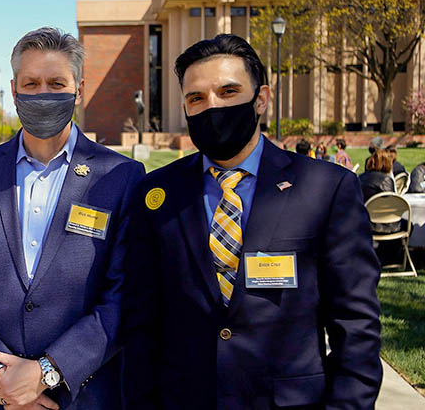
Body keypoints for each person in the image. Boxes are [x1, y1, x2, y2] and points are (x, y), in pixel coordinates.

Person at [122, 34, 382, 409]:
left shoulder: (326, 188)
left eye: (228, 92)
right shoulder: (156, 195)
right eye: (197, 98)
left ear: (261, 99)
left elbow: (356, 326)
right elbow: (141, 324)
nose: (212, 106)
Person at [0, 27, 144, 410]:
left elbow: (124, 295)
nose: (43, 93)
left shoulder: (122, 178)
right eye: (31, 84)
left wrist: (47, 372)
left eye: (56, 83)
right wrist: (0, 377)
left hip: (77, 396)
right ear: (13, 90)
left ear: (79, 89)